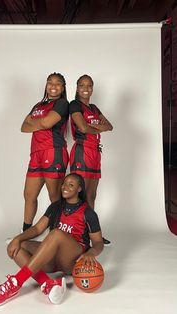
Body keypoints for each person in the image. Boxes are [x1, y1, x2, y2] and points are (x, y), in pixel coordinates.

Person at [0, 173, 104, 306]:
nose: (65, 187)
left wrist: (91, 253)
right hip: (52, 259)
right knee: (18, 247)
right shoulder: (56, 206)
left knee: (56, 234)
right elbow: (37, 229)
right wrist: (17, 239)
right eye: (64, 183)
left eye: (71, 185)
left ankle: (16, 282)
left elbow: (98, 242)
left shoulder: (88, 212)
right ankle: (47, 283)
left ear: (79, 189)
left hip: (72, 260)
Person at [20, 73, 69, 232]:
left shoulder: (62, 104)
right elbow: (23, 127)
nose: (53, 86)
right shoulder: (38, 106)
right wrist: (41, 123)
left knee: (54, 197)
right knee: (29, 195)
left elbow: (47, 123)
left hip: (53, 152)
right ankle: (26, 232)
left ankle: (56, 234)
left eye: (58, 84)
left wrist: (38, 123)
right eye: (50, 83)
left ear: (63, 88)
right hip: (36, 153)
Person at [69, 75, 113, 245]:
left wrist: (91, 128)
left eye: (89, 85)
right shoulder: (75, 105)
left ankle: (90, 232)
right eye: (82, 85)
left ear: (92, 88)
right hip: (82, 151)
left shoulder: (93, 107)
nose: (86, 88)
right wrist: (95, 127)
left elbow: (110, 126)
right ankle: (77, 233)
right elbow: (82, 127)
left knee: (91, 196)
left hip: (95, 153)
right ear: (77, 88)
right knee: (80, 195)